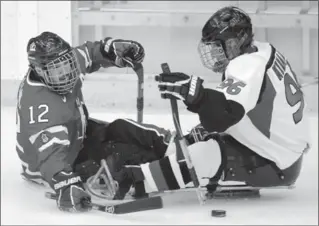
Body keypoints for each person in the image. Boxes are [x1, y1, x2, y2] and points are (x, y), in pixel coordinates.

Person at [102, 6, 310, 200]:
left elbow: (223, 116)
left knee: (204, 155)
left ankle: (133, 181)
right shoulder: (262, 50)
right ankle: (162, 155)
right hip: (279, 146)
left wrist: (198, 96)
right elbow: (238, 108)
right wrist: (199, 101)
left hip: (275, 161)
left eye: (221, 46)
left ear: (238, 40)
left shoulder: (248, 66)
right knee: (192, 140)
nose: (215, 53)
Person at [16, 31, 175, 212]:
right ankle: (169, 171)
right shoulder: (39, 105)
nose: (66, 73)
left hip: (75, 132)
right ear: (39, 70)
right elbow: (50, 156)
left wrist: (111, 50)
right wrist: (65, 183)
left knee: (123, 128)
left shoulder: (60, 65)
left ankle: (176, 146)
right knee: (120, 155)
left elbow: (89, 54)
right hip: (58, 162)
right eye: (57, 70)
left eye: (66, 64)